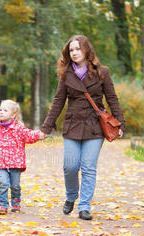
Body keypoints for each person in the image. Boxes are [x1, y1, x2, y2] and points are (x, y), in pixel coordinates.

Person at [39, 35, 125, 221]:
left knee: (88, 167)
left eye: (78, 48)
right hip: (72, 125)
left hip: (94, 127)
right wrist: (46, 127)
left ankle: (84, 206)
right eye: (71, 50)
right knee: (70, 167)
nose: (74, 52)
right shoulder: (66, 74)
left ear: (86, 50)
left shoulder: (103, 72)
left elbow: (112, 99)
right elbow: (58, 102)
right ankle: (71, 196)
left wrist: (120, 122)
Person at [0, 99, 45, 215]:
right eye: (0, 110)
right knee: (3, 184)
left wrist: (40, 135)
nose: (1, 112)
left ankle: (16, 203)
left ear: (13, 115)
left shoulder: (18, 129)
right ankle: (3, 205)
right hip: (1, 164)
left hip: (16, 163)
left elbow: (29, 135)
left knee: (15, 185)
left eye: (5, 110)